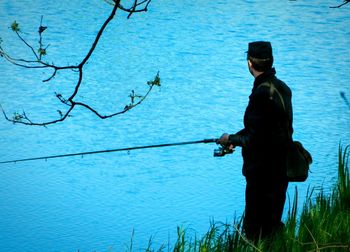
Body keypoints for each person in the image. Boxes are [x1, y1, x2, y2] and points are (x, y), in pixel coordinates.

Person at [217, 41, 293, 241]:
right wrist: (236, 138)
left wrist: (230, 138)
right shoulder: (282, 88)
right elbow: (265, 129)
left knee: (255, 229)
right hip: (280, 167)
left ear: (250, 63)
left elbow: (256, 137)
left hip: (262, 172)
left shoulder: (261, 93)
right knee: (272, 223)